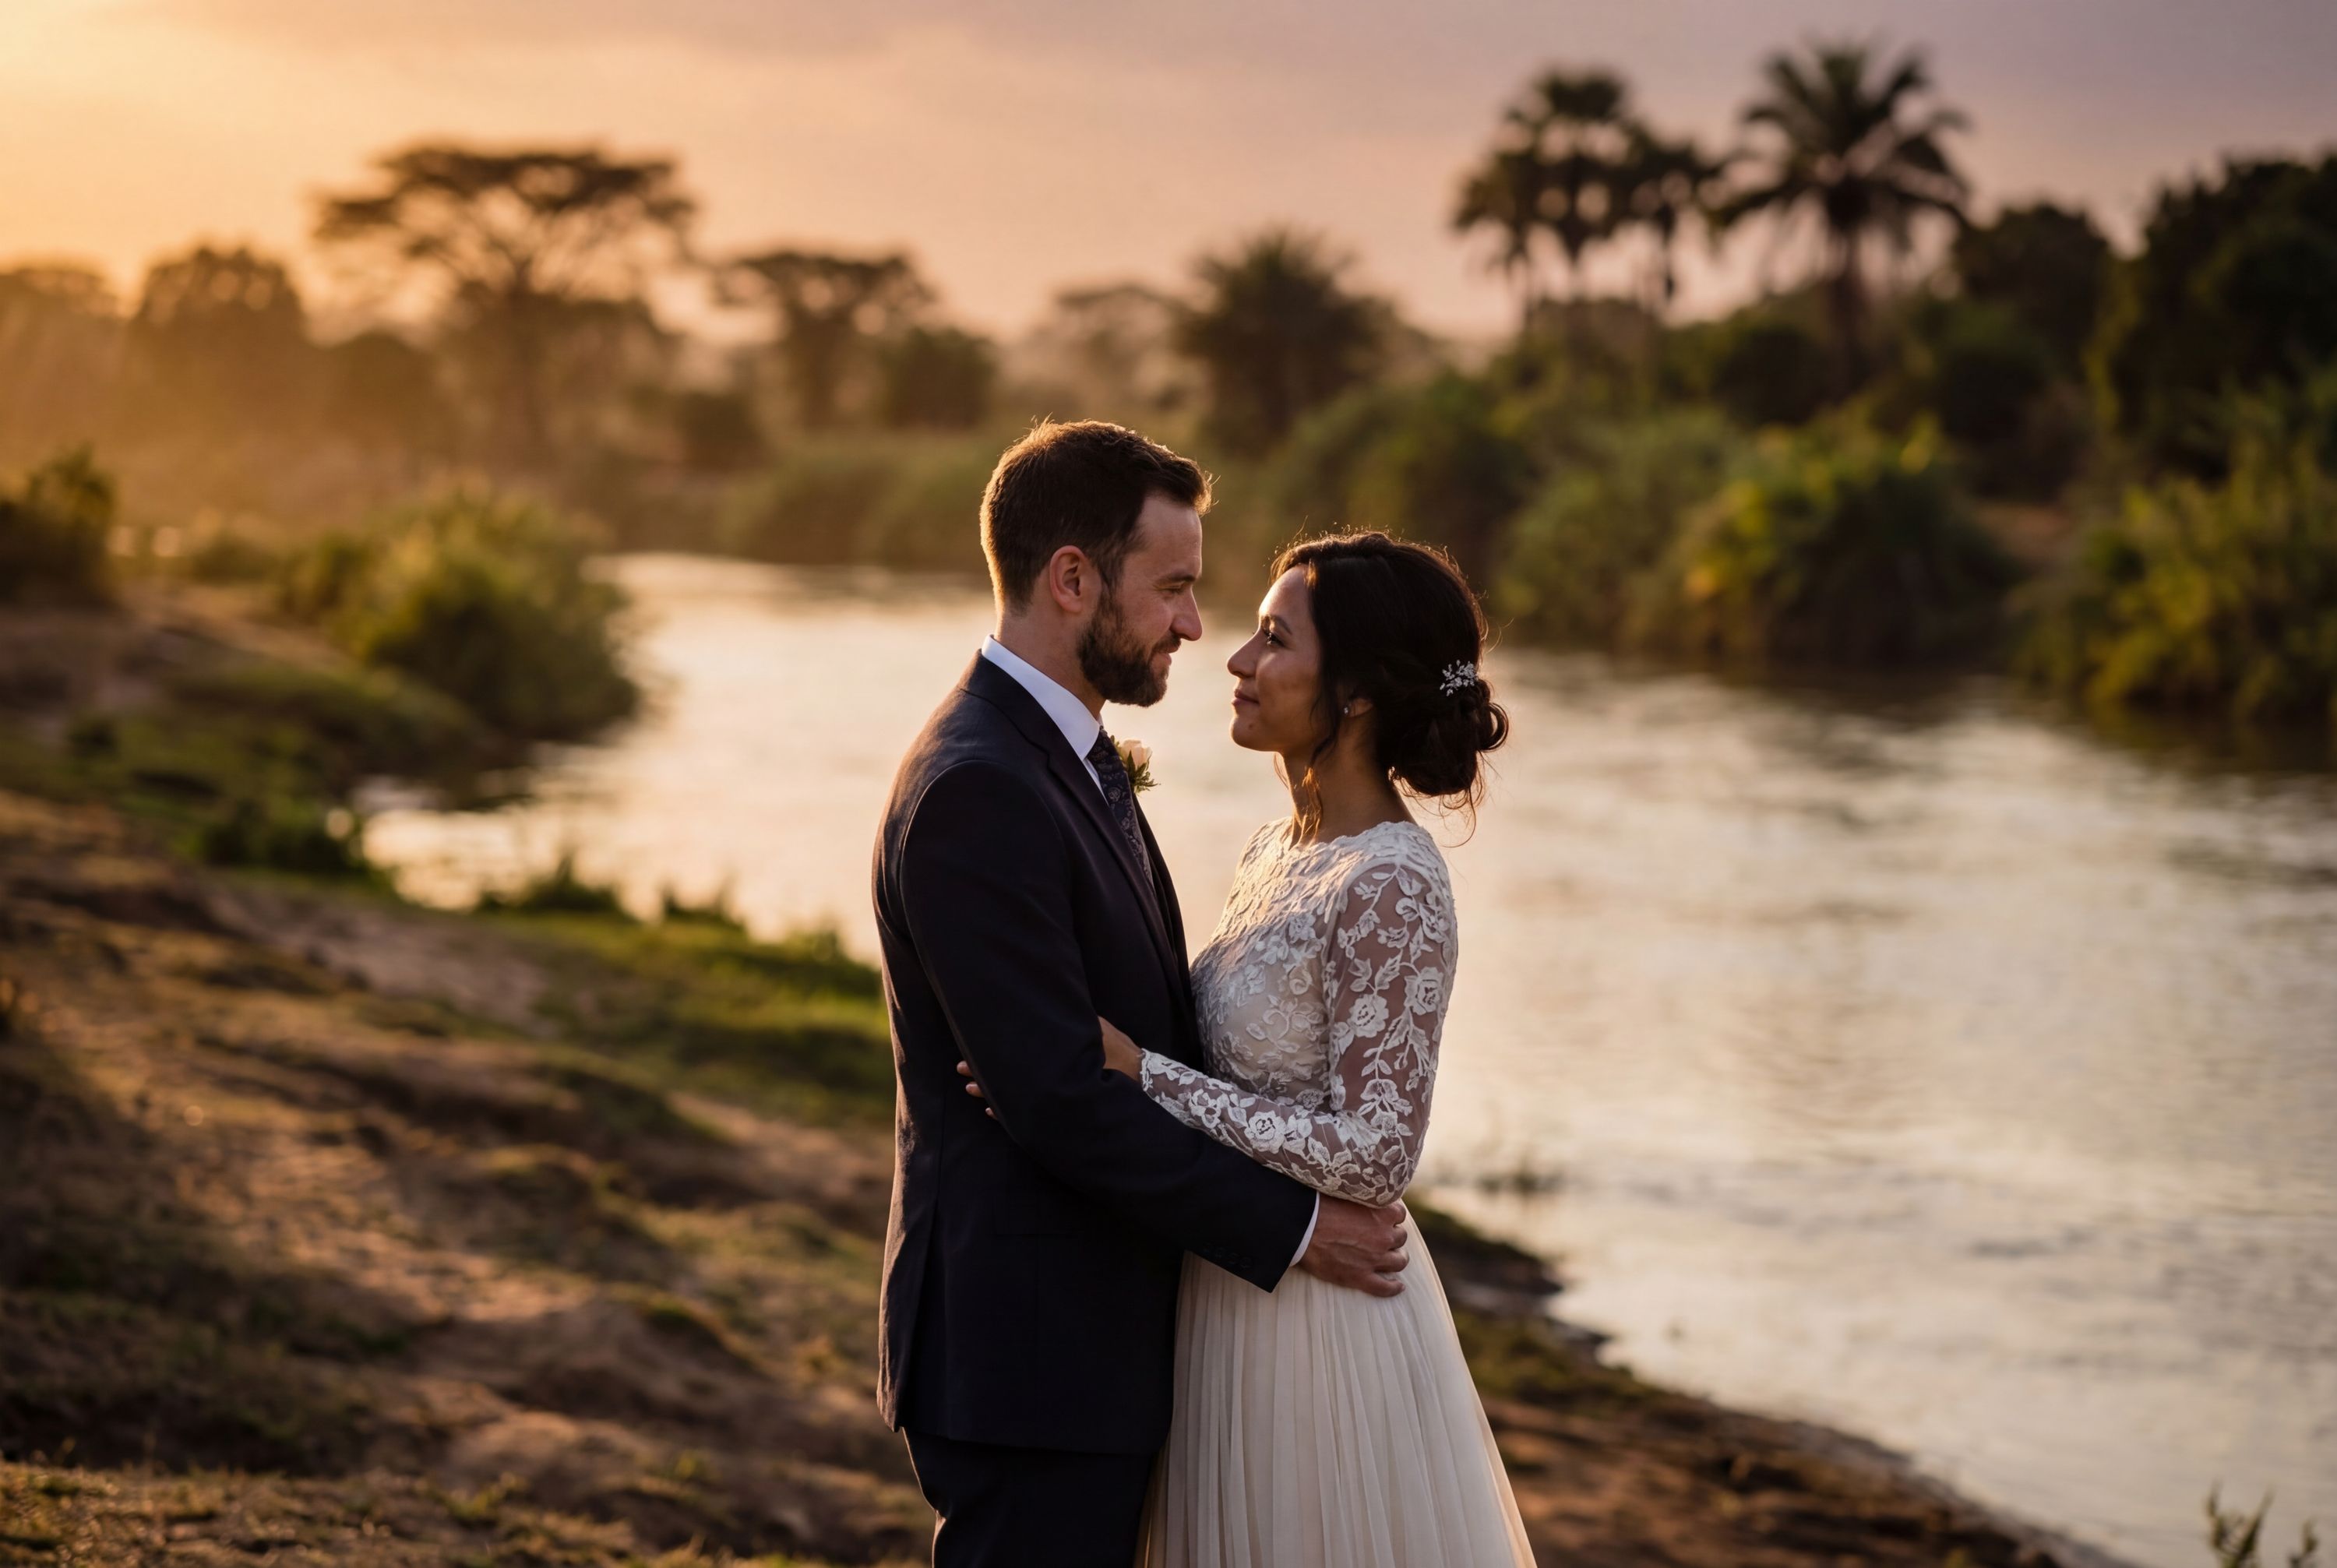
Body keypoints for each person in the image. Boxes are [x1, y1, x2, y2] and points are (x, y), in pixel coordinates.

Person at [871, 420, 1412, 1568]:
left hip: (1092, 1341)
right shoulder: (981, 787)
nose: (1191, 625)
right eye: (1171, 587)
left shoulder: (1061, 756)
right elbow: (1060, 1099)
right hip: (1028, 1356)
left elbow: (1136, 1038)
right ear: (1073, 579)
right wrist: (1299, 1227)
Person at [964, 529, 1534, 1566]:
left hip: (1321, 1326)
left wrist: (1141, 1073)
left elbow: (1375, 1152)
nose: (1235, 659)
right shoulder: (1275, 848)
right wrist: (1037, 1043)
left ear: (1356, 692)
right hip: (1225, 1291)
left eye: (1274, 639)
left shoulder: (1393, 883)